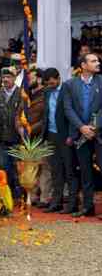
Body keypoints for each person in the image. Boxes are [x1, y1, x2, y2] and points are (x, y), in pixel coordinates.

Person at [63, 53, 102, 218]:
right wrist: (81, 127)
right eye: (93, 61)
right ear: (83, 65)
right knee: (85, 172)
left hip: (99, 133)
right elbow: (68, 109)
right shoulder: (70, 84)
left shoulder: (101, 81)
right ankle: (88, 207)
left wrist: (94, 127)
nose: (98, 63)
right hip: (80, 135)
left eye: (98, 61)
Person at [41, 68, 79, 214]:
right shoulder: (47, 92)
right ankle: (56, 202)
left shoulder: (68, 90)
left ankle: (72, 204)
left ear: (58, 78)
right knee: (56, 171)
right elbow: (46, 114)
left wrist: (72, 135)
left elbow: (73, 114)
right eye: (47, 83)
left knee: (70, 171)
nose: (50, 85)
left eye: (52, 82)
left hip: (66, 136)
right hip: (51, 135)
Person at [0, 67, 23, 200]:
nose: (5, 79)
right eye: (4, 77)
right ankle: (8, 194)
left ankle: (20, 194)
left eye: (9, 77)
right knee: (4, 166)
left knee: (18, 166)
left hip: (17, 137)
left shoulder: (21, 93)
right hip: (1, 137)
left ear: (15, 78)